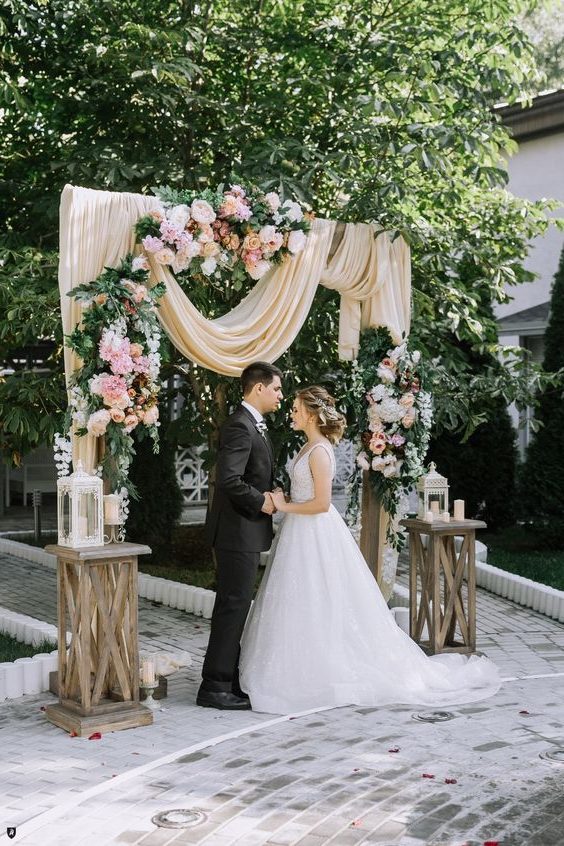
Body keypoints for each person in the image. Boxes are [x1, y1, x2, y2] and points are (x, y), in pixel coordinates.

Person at [239, 385, 500, 715]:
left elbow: (320, 504)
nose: (291, 411)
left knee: (319, 597)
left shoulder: (320, 451)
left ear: (312, 413)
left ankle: (319, 673)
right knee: (301, 598)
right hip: (299, 533)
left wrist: (283, 506)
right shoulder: (308, 445)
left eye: (296, 407)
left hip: (315, 531)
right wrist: (286, 499)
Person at [197, 361, 283, 710]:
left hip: (244, 533)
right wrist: (262, 502)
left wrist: (271, 489)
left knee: (234, 607)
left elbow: (251, 473)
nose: (280, 395)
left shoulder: (253, 426)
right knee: (232, 607)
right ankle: (215, 688)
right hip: (236, 533)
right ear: (258, 388)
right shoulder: (239, 426)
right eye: (276, 388)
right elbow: (229, 480)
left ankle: (226, 680)